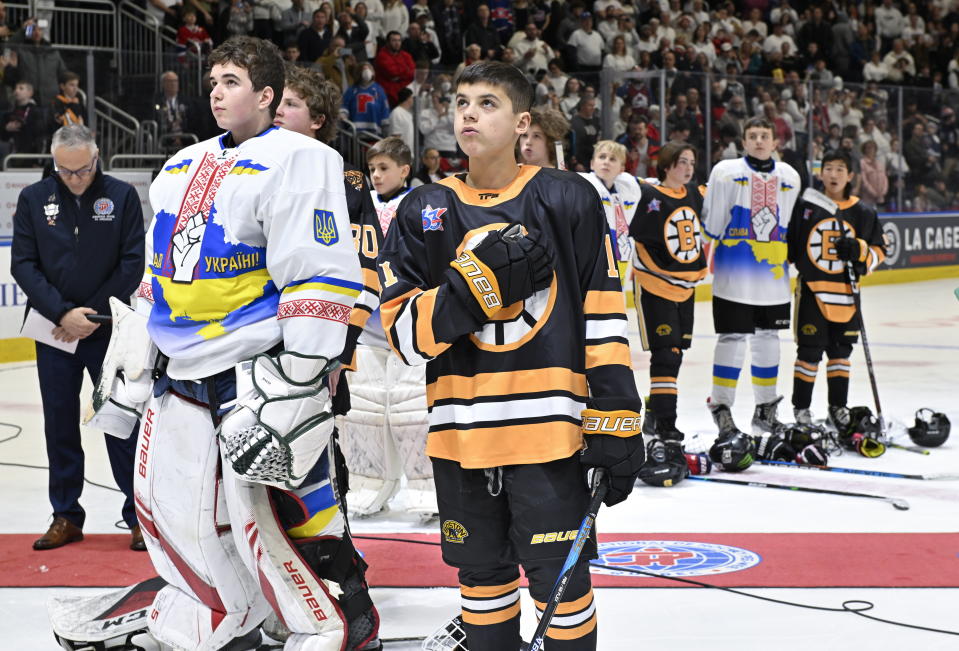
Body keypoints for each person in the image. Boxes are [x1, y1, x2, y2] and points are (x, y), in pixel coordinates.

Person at [376, 60, 644, 650]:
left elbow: (601, 312)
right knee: (483, 583)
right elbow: (400, 336)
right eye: (461, 102)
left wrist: (617, 414)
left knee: (561, 587)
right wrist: (471, 293)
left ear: (523, 121)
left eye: (487, 103)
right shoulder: (423, 208)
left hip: (550, 437)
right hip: (461, 438)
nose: (468, 112)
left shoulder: (567, 198)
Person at [124, 36, 378, 649]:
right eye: (213, 80)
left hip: (256, 369)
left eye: (232, 81)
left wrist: (305, 372)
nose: (216, 91)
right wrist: (134, 353)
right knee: (183, 508)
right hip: (180, 368)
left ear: (266, 95)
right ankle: (227, 616)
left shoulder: (301, 159)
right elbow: (158, 269)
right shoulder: (181, 163)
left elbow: (316, 269)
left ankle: (338, 618)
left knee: (291, 505)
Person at [10, 125, 144, 551]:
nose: (74, 179)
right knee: (59, 424)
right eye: (65, 172)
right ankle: (66, 515)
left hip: (107, 329)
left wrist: (91, 313)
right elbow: (24, 265)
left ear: (97, 156)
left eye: (82, 170)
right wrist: (63, 313)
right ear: (53, 163)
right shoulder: (34, 199)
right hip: (54, 332)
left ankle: (139, 516)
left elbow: (132, 263)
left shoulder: (122, 196)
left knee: (121, 423)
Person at [335, 135, 436, 519]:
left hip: (409, 321)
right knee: (363, 411)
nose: (375, 175)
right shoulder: (356, 204)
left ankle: (427, 487)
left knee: (414, 412)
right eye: (372, 168)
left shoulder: (425, 201)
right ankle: (369, 482)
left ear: (405, 170)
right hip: (367, 324)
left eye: (384, 168)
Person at [701, 117, 801, 469]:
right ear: (744, 140)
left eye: (765, 136)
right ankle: (722, 409)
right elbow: (711, 222)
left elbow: (788, 224)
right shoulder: (726, 171)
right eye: (753, 136)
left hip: (774, 279)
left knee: (770, 338)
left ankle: (766, 409)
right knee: (732, 339)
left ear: (776, 141)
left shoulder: (790, 176)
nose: (759, 141)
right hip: (733, 276)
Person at [788, 150, 885, 432]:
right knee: (808, 352)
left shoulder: (863, 212)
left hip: (846, 295)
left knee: (841, 354)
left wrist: (860, 250)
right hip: (813, 292)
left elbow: (880, 252)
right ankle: (802, 409)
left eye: (840, 169)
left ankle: (837, 407)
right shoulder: (806, 206)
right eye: (828, 168)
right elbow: (792, 248)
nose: (833, 174)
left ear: (851, 175)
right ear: (820, 173)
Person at [629, 143, 707, 486]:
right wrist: (666, 274)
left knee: (676, 354)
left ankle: (655, 414)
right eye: (682, 162)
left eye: (692, 162)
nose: (688, 168)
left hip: (686, 289)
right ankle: (665, 423)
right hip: (656, 287)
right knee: (666, 354)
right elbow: (640, 245)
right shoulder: (649, 195)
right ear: (666, 165)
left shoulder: (694, 193)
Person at [577, 140, 640, 271]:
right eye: (602, 157)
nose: (606, 161)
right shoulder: (581, 184)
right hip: (590, 259)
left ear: (622, 168)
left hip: (620, 259)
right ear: (592, 164)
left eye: (612, 159)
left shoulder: (626, 187)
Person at [342, 61, 390, 134]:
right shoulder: (352, 90)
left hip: (375, 132)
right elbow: (344, 105)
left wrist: (385, 129)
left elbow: (384, 109)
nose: (366, 71)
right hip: (355, 133)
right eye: (363, 69)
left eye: (369, 68)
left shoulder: (379, 90)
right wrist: (343, 116)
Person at [0, 80, 44, 155]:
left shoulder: (36, 112)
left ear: (30, 93)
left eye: (21, 88)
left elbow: (40, 136)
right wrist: (7, 129)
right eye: (15, 88)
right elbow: (4, 137)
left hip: (31, 154)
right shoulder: (10, 112)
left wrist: (38, 159)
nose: (16, 91)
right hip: (13, 153)